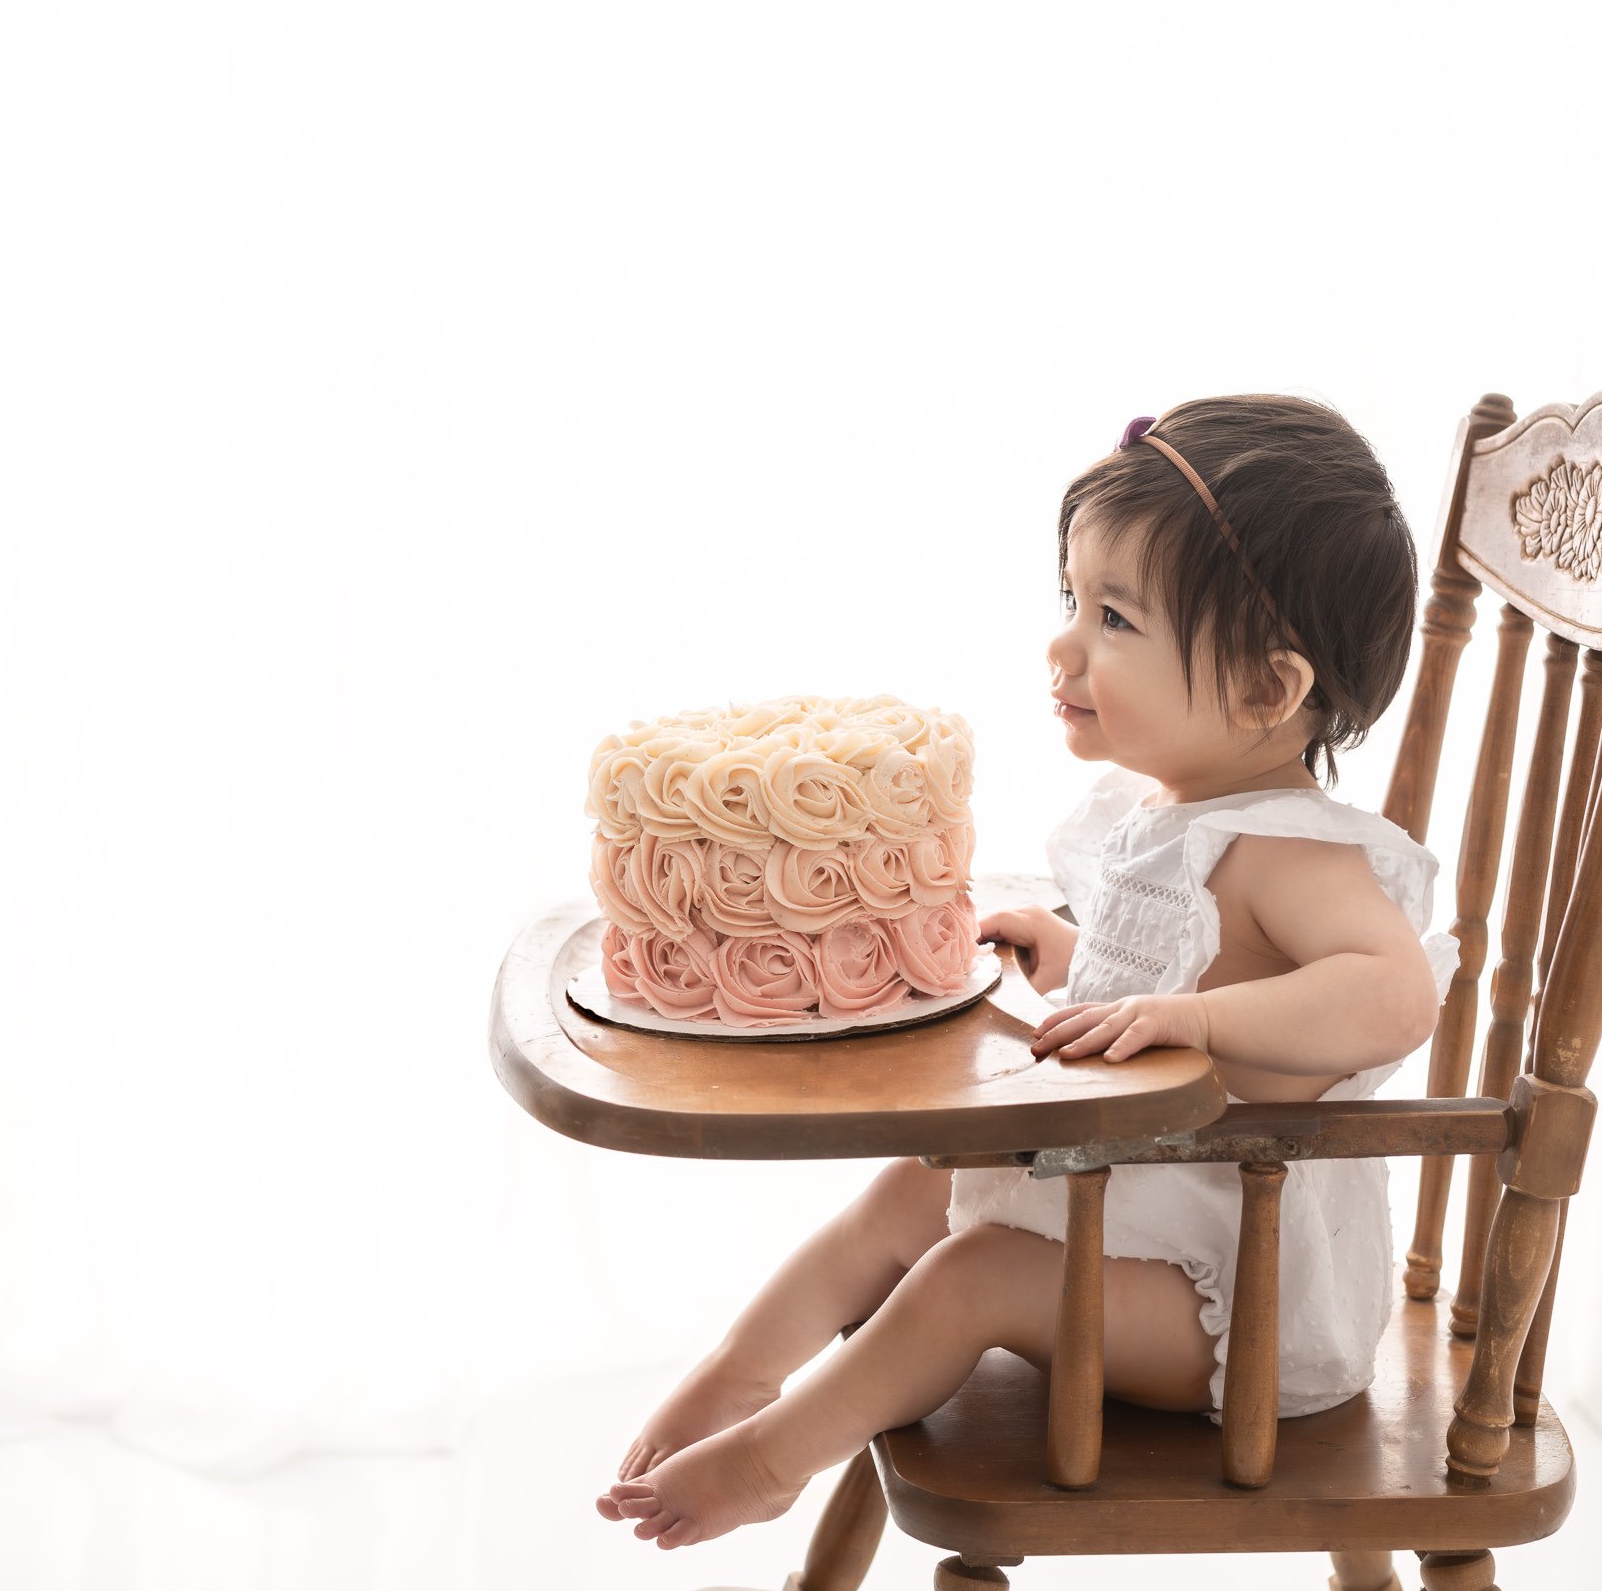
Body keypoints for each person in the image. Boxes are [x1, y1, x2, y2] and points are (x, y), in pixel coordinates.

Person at [597, 394, 1461, 1551]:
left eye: (1114, 616)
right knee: (914, 1181)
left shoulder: (1295, 851)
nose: (1065, 644)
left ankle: (772, 1455)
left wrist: (1184, 1009)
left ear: (1266, 689)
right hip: (1139, 1204)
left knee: (975, 1272)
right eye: (1070, 598)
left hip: (1235, 1298)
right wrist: (1075, 962)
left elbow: (1393, 993)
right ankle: (738, 1373)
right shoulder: (1179, 813)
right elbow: (1164, 967)